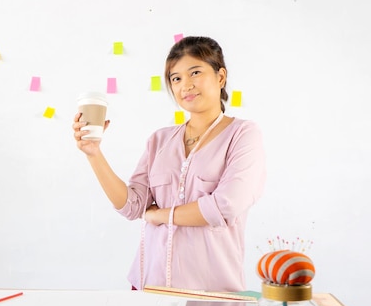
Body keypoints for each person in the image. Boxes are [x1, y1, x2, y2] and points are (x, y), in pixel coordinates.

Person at [72, 36, 266, 292]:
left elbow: (225, 205)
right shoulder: (159, 140)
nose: (186, 85)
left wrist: (160, 215)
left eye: (195, 72)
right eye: (176, 78)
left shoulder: (243, 134)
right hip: (148, 284)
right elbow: (132, 206)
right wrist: (93, 153)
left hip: (211, 291)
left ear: (220, 77)